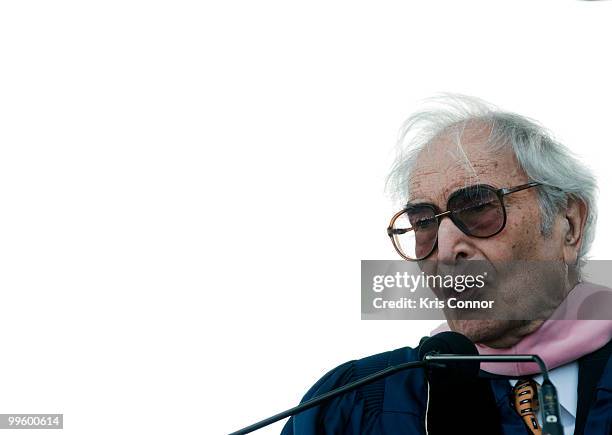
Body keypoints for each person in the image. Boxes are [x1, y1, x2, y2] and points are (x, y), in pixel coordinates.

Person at [281, 95, 612, 434]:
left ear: (568, 223)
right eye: (424, 223)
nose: (445, 252)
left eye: (479, 206)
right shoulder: (351, 407)